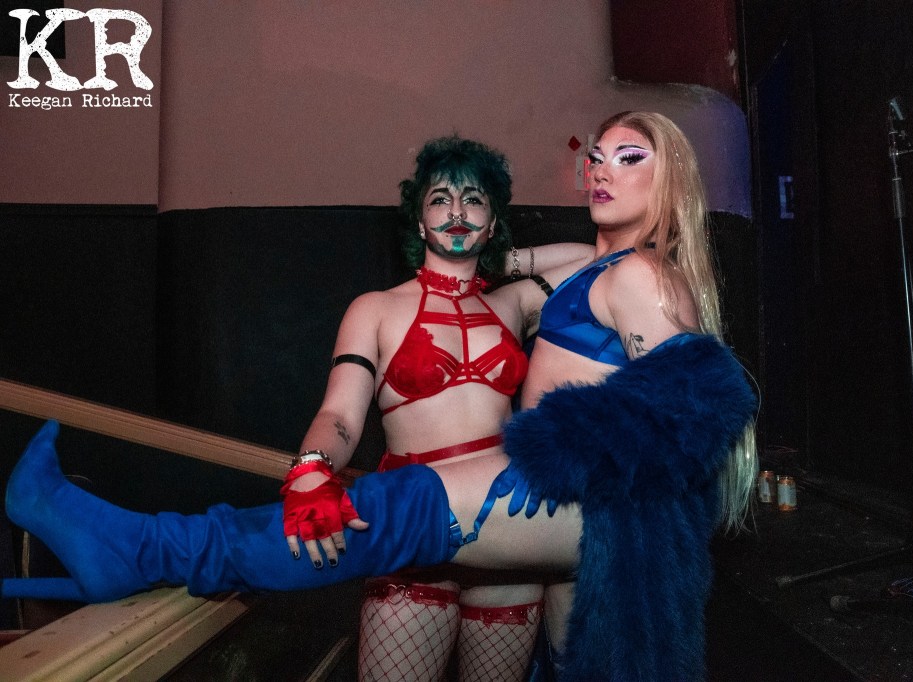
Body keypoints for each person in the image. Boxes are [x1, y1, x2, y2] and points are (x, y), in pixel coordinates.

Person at [4, 112, 758, 681]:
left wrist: (564, 444)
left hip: (548, 490)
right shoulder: (581, 270)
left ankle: (137, 548)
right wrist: (311, 469)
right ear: (418, 213)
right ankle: (135, 548)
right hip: (520, 500)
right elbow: (351, 401)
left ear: (671, 178)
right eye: (595, 156)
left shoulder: (619, 279)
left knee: (388, 515)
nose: (601, 170)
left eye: (630, 157)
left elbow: (693, 405)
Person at [284, 135, 590, 682]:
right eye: (440, 200)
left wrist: (498, 258)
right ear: (419, 222)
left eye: (473, 200)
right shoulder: (375, 309)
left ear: (493, 221)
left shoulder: (513, 302)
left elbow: (592, 260)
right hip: (414, 530)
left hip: (507, 529)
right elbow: (340, 416)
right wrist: (311, 470)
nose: (456, 213)